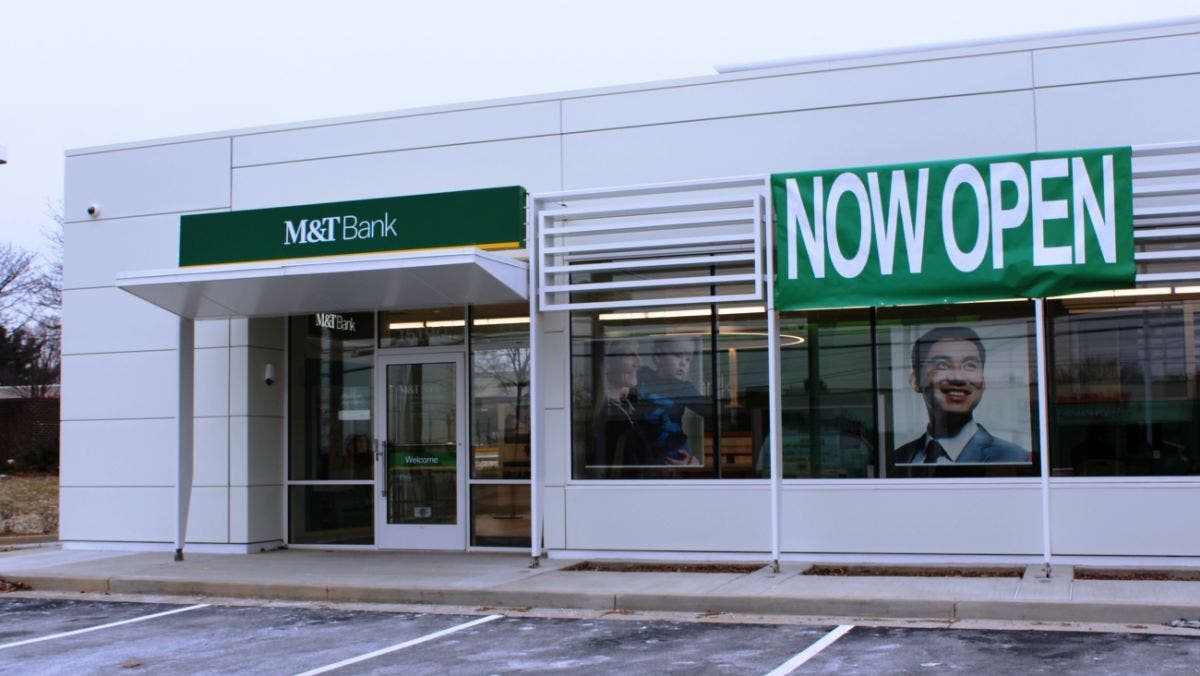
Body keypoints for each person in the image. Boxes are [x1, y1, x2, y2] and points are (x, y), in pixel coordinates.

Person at [894, 325, 1030, 465]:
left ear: (983, 382)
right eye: (942, 365)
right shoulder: (898, 459)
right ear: (915, 381)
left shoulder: (1016, 458)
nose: (958, 378)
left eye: (970, 365)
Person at [637, 335, 704, 466]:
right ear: (657, 356)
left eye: (688, 359)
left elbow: (710, 411)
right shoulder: (643, 376)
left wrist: (693, 463)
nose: (683, 363)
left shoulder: (686, 388)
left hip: (676, 451)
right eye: (678, 355)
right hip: (644, 450)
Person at [589, 338, 654, 467]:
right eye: (630, 355)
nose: (639, 363)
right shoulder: (608, 415)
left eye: (637, 354)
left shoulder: (631, 404)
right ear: (607, 365)